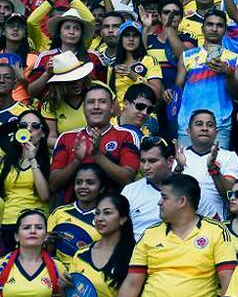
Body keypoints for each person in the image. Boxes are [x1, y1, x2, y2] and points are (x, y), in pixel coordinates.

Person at [104, 174, 237, 297]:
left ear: (182, 201)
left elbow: (228, 280)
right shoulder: (150, 234)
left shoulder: (216, 231)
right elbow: (132, 284)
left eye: (164, 197)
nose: (159, 202)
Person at [49, 84, 139, 202]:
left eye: (102, 102)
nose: (96, 107)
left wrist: (97, 155)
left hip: (113, 209)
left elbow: (128, 180)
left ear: (112, 107)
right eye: (91, 102)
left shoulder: (126, 135)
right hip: (72, 210)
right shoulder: (66, 138)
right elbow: (53, 185)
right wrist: (76, 161)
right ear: (83, 108)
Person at [63, 193, 136, 297]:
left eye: (107, 213)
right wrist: (63, 287)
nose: (99, 218)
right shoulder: (81, 254)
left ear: (123, 219)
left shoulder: (133, 258)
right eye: (97, 213)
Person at [176, 9, 238, 148]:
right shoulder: (187, 56)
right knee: (185, 162)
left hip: (220, 125)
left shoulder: (235, 59)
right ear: (202, 28)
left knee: (217, 162)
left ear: (225, 30)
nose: (214, 29)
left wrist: (227, 73)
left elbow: (237, 94)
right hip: (187, 124)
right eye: (210, 24)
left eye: (219, 25)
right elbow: (177, 90)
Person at [0, 209, 64, 297]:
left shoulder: (57, 268)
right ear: (16, 236)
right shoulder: (1, 265)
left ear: (46, 236)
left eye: (39, 227)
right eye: (26, 227)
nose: (33, 231)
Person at [0, 113, 51, 253]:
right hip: (7, 224)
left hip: (34, 225)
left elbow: (44, 196)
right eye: (23, 125)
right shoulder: (7, 161)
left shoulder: (49, 161)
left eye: (35, 126)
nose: (28, 129)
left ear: (43, 133)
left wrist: (33, 160)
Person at [177, 109, 238, 220]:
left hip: (215, 224)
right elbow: (167, 192)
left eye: (210, 125)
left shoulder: (229, 156)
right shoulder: (178, 156)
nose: (204, 128)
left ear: (216, 132)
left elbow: (230, 196)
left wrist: (212, 168)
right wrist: (179, 167)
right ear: (188, 131)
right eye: (199, 124)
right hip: (180, 222)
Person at [47, 163, 104, 268]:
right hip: (55, 271)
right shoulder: (59, 212)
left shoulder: (104, 220)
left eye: (90, 183)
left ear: (101, 188)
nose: (83, 187)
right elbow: (46, 250)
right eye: (78, 182)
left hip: (86, 275)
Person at [121, 136, 176, 239]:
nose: (146, 167)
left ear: (170, 161)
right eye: (142, 161)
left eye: (152, 161)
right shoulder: (129, 191)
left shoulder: (188, 189)